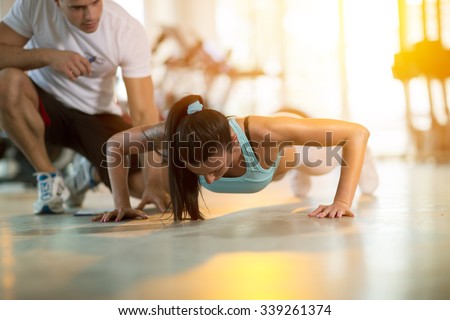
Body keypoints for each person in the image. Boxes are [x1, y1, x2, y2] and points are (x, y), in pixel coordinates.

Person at [94, 94, 379, 222]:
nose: (208, 180)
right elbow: (115, 144)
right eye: (199, 172)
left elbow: (356, 133)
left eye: (215, 169)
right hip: (276, 163)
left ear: (233, 142)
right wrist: (121, 204)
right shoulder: (177, 136)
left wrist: (342, 201)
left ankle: (365, 160)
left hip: (298, 152)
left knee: (322, 165)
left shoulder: (267, 132)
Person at [0, 0, 169, 214]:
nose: (90, 15)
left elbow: (143, 112)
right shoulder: (34, 5)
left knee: (159, 187)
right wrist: (48, 56)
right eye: (77, 8)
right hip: (44, 108)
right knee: (6, 81)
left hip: (97, 116)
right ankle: (48, 177)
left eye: (95, 3)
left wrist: (152, 180)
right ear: (57, 2)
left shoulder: (126, 29)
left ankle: (88, 173)